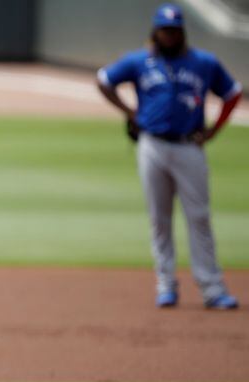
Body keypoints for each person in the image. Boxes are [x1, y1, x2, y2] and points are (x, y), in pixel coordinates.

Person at [97, 3, 242, 309]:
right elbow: (104, 79)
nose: (170, 35)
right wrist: (129, 112)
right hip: (152, 146)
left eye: (175, 30)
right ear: (156, 30)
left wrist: (215, 130)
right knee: (159, 219)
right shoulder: (140, 61)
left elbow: (233, 93)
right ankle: (166, 284)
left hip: (190, 147)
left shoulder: (204, 63)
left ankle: (212, 288)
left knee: (199, 217)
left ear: (182, 32)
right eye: (165, 29)